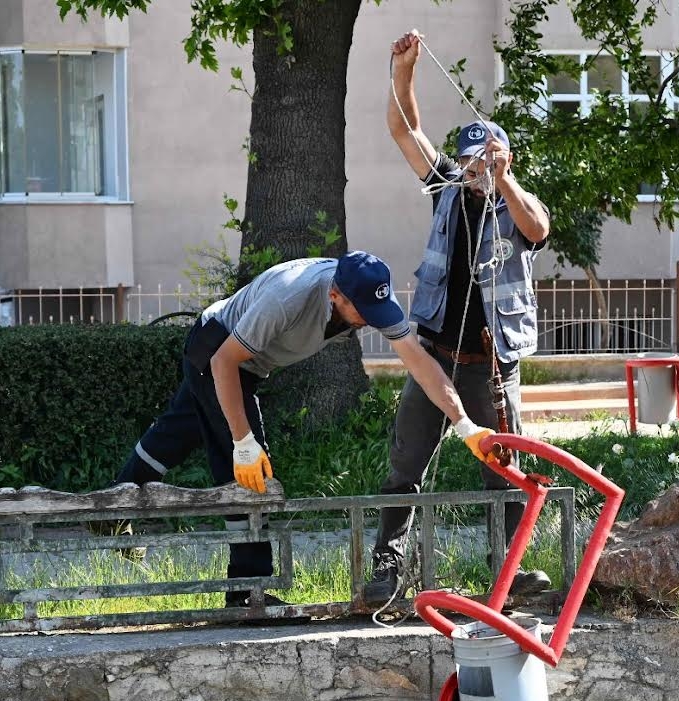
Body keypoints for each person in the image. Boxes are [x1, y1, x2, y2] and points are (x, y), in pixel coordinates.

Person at [113, 251, 498, 608]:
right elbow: (224, 361)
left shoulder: (370, 296)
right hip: (216, 352)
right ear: (335, 295)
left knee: (175, 435)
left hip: (244, 362)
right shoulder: (288, 296)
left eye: (375, 309)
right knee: (250, 475)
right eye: (361, 310)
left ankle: (111, 511)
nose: (369, 319)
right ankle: (249, 592)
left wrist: (466, 426)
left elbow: (420, 363)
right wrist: (243, 442)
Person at [363, 29, 553, 605]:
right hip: (435, 358)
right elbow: (404, 129)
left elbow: (538, 228)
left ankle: (510, 573)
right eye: (468, 159)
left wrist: (506, 180)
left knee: (504, 473)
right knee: (407, 465)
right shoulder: (445, 186)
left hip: (491, 365)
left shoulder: (515, 199)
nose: (473, 169)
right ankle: (388, 568)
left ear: (501, 158)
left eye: (483, 160)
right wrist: (404, 71)